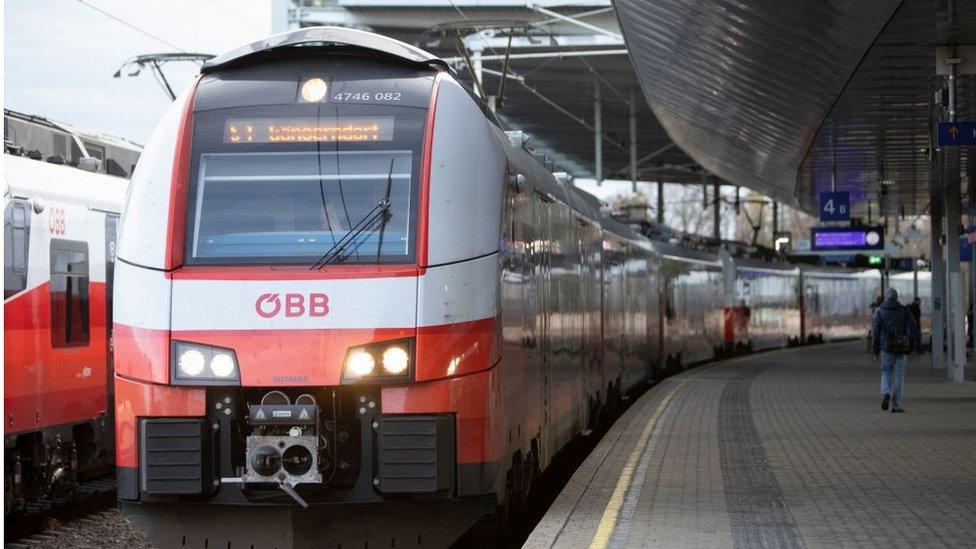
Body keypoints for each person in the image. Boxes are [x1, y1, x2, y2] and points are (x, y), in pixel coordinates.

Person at [871, 288, 921, 413]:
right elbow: (913, 328)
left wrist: (875, 349)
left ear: (886, 298)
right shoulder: (904, 310)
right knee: (899, 375)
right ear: (897, 297)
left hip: (886, 348)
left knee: (886, 372)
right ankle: (896, 405)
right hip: (901, 347)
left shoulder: (879, 311)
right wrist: (914, 344)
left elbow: (875, 332)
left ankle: (886, 392)